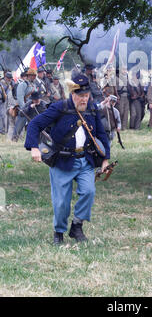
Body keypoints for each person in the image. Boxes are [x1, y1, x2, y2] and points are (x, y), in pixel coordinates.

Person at [24, 74, 110, 245]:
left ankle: (76, 226)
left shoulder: (92, 109)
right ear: (72, 94)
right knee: (61, 202)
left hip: (85, 160)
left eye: (86, 96)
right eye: (81, 96)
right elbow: (35, 124)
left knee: (88, 192)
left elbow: (101, 134)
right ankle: (59, 233)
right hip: (62, 161)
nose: (84, 99)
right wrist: (34, 147)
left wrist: (105, 159)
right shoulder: (59, 108)